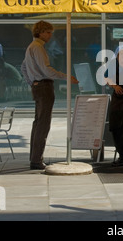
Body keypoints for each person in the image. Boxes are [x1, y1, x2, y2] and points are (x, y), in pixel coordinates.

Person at [21, 20, 79, 170]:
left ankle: (34, 158)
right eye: (48, 32)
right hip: (44, 86)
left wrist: (32, 82)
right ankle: (36, 160)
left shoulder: (31, 47)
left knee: (38, 122)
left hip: (38, 86)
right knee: (43, 124)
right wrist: (66, 77)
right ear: (40, 32)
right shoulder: (38, 47)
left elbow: (24, 68)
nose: (50, 35)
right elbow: (46, 70)